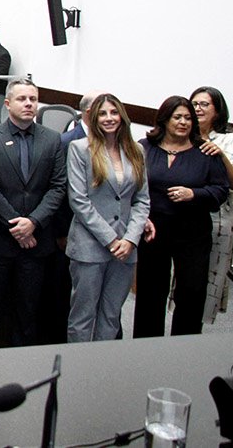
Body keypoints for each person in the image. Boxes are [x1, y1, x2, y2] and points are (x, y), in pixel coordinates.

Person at [0, 79, 67, 348]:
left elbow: (58, 186)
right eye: (22, 99)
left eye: (33, 99)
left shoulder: (52, 139)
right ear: (7, 104)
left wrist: (34, 222)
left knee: (28, 310)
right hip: (0, 241)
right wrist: (17, 226)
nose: (29, 104)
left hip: (37, 242)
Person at [133, 95, 228, 338]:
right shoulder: (144, 148)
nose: (184, 122)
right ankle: (145, 347)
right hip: (152, 230)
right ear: (164, 120)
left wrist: (193, 194)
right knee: (150, 292)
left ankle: (184, 347)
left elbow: (220, 191)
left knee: (191, 292)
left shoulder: (206, 152)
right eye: (177, 117)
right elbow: (130, 186)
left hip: (193, 233)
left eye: (188, 118)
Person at [64, 94, 150, 342]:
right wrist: (111, 240)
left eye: (114, 112)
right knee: (83, 317)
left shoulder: (136, 150)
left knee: (111, 315)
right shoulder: (80, 149)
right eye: (102, 113)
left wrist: (130, 239)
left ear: (122, 116)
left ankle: (104, 363)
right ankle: (79, 364)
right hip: (90, 246)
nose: (109, 118)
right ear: (93, 117)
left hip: (125, 249)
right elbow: (79, 201)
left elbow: (142, 200)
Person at [188, 87, 233, 324]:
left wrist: (221, 156)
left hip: (219, 215)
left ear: (218, 110)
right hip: (187, 211)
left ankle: (198, 326)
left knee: (209, 278)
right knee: (185, 279)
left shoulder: (231, 140)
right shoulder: (184, 133)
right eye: (194, 104)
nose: (197, 109)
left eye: (204, 104)